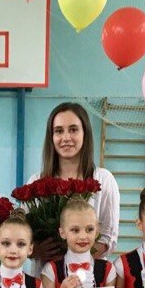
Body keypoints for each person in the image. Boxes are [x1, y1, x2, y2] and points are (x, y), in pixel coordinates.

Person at [27, 102, 120, 263]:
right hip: (46, 275)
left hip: (90, 275)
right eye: (59, 131)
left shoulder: (104, 180)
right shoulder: (36, 182)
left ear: (85, 133)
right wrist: (35, 251)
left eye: (73, 129)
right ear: (51, 137)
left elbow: (108, 238)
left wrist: (75, 260)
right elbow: (23, 236)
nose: (66, 138)